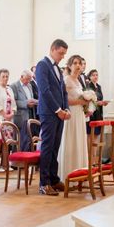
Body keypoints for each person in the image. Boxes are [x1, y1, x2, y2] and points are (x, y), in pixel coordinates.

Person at [36, 39, 71, 196]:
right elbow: (44, 91)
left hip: (59, 113)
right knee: (47, 147)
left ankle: (54, 179)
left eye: (64, 54)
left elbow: (63, 91)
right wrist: (58, 110)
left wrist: (66, 109)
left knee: (55, 147)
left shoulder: (57, 68)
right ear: (52, 49)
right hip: (49, 113)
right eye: (61, 53)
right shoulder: (42, 65)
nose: (62, 57)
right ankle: (44, 183)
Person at [57, 55, 90, 181]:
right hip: (70, 115)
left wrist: (87, 105)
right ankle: (67, 175)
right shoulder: (66, 80)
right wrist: (79, 102)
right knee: (70, 142)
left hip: (80, 115)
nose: (77, 65)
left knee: (79, 142)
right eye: (75, 63)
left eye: (80, 63)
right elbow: (63, 100)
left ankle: (79, 174)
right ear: (69, 66)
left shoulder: (79, 81)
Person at [10, 70, 38, 152]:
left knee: (28, 138)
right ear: (21, 77)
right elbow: (13, 102)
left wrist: (34, 102)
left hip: (30, 114)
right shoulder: (14, 86)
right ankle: (16, 160)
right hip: (20, 115)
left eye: (30, 79)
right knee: (18, 138)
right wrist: (26, 103)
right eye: (27, 79)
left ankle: (26, 158)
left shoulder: (29, 85)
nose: (28, 81)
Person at [86, 69, 110, 153]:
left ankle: (94, 159)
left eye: (96, 75)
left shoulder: (99, 86)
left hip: (99, 113)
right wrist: (98, 103)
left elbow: (100, 99)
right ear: (89, 76)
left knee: (96, 135)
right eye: (93, 75)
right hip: (92, 113)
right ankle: (89, 159)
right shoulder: (88, 86)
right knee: (90, 136)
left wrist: (103, 103)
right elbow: (89, 101)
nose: (95, 77)